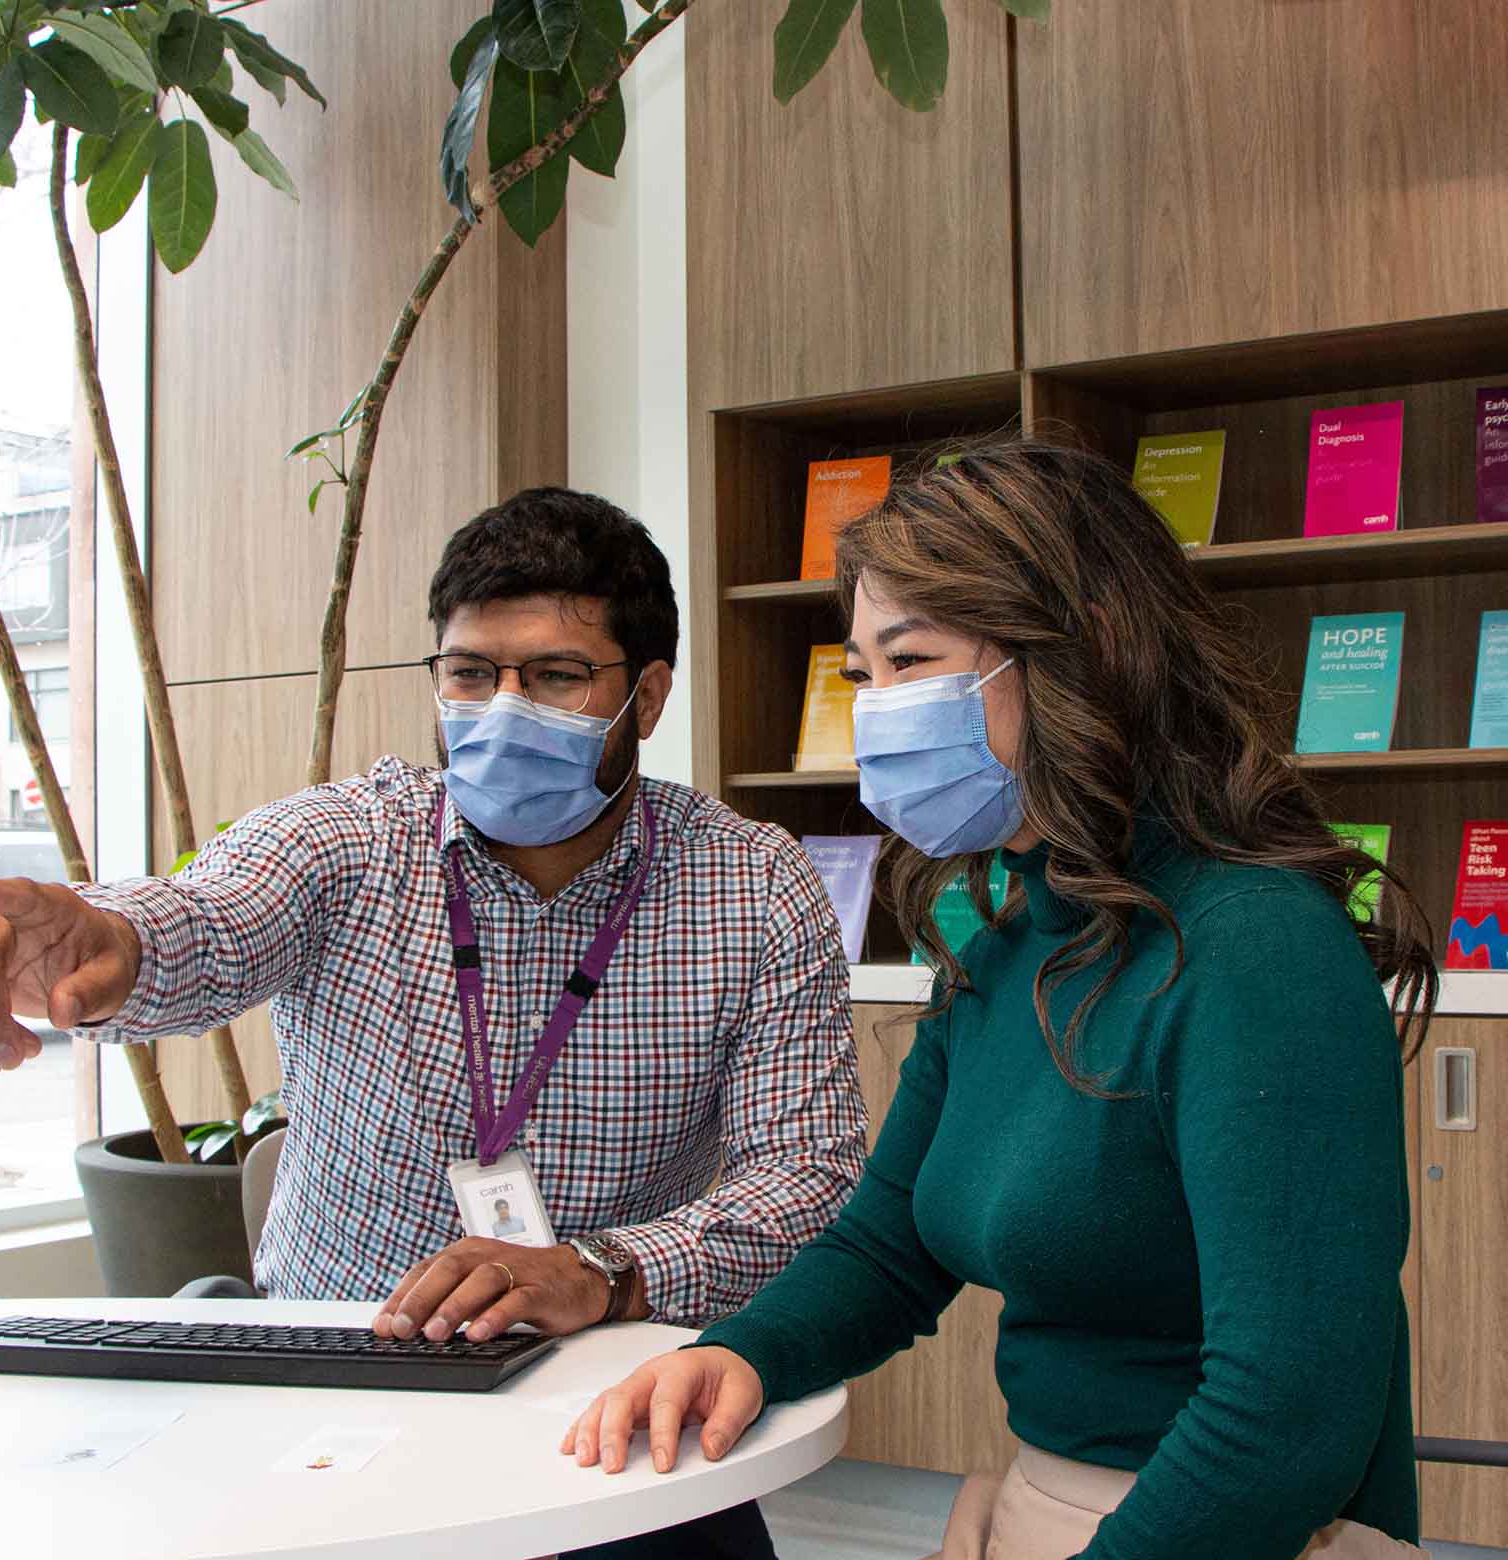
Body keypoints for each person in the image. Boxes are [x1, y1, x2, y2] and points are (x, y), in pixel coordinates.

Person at [560, 442, 1439, 1558]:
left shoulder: (1257, 948)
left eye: (910, 661)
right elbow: (889, 1245)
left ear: (1075, 656)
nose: (877, 713)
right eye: (862, 676)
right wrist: (742, 1352)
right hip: (1045, 1504)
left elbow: (1287, 1418)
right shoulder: (1008, 929)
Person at [0, 488, 868, 1560]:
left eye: (557, 677)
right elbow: (207, 918)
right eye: (471, 675)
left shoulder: (751, 883)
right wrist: (113, 947)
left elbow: (806, 1178)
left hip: (612, 1382)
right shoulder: (350, 839)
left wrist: (604, 1271)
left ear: (649, 695)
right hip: (337, 1384)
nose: (502, 709)